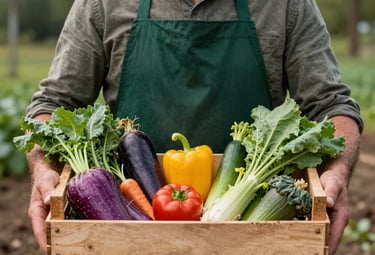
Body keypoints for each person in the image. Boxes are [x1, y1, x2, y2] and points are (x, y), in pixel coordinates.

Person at [25, 0, 362, 254]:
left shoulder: (286, 6)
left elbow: (332, 106)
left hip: (254, 235)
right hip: (126, 231)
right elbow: (53, 105)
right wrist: (43, 170)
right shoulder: (103, 4)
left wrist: (337, 173)